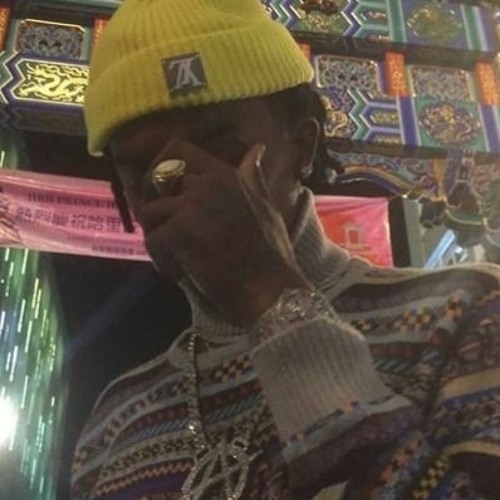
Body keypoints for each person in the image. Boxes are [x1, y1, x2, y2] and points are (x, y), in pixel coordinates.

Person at [71, 0, 500, 498]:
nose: (178, 183)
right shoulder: (115, 422)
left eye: (214, 147)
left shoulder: (467, 314)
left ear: (301, 145)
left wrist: (268, 293)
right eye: (143, 165)